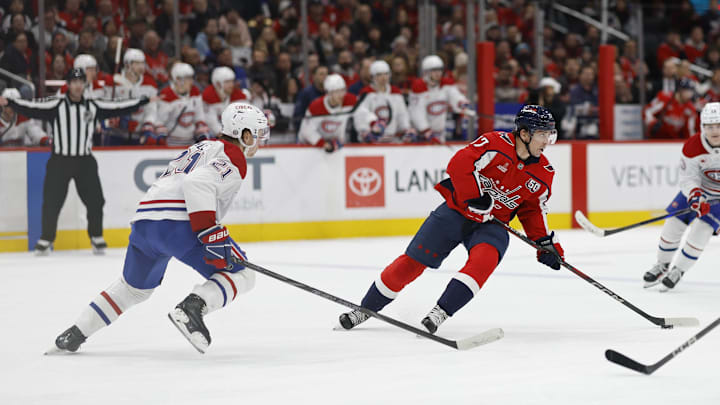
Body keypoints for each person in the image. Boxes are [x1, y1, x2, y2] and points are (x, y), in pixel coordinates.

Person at [47, 102, 270, 354]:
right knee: (242, 274)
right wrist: (208, 231)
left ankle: (75, 333)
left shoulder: (203, 146)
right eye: (258, 134)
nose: (261, 140)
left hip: (145, 223)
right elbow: (197, 183)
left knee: (133, 289)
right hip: (176, 225)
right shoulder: (233, 155)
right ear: (245, 134)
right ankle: (192, 308)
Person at [337, 105, 564, 333]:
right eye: (542, 134)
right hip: (455, 212)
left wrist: (544, 243)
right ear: (524, 134)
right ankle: (364, 310)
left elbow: (533, 210)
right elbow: (460, 164)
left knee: (483, 262)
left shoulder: (544, 172)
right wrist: (474, 196)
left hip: (491, 225)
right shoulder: (495, 144)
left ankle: (439, 313)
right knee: (412, 263)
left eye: (549, 135)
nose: (546, 142)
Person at [0, 69, 151, 255]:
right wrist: (11, 103)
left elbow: (117, 106)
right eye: (74, 81)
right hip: (60, 161)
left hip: (84, 161)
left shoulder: (93, 105)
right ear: (68, 84)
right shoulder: (57, 104)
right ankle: (46, 238)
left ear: (84, 85)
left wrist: (142, 101)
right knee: (51, 202)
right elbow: (32, 107)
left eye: (81, 81)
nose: (78, 85)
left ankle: (96, 236)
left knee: (95, 201)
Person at [643, 102, 720, 291]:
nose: (714, 131)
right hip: (698, 192)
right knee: (672, 226)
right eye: (709, 126)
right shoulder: (693, 146)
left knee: (700, 232)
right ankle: (662, 265)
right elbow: (688, 178)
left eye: (718, 126)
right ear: (702, 127)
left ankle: (678, 270)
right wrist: (696, 196)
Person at [298, 73, 377, 152]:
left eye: (343, 90)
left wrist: (373, 123)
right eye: (337, 92)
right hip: (309, 147)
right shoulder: (316, 106)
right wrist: (323, 144)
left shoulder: (349, 100)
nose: (341, 95)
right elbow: (306, 131)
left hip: (335, 146)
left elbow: (363, 113)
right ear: (329, 93)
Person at [408, 55, 475, 143]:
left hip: (439, 135)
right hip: (422, 135)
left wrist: (462, 103)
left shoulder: (446, 84)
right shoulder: (419, 87)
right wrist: (425, 131)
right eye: (434, 70)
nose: (438, 73)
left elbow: (455, 95)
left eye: (439, 70)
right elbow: (416, 113)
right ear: (426, 72)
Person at [104, 48, 159, 145]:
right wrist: (119, 120)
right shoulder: (113, 82)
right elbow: (106, 106)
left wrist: (147, 126)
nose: (141, 67)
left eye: (142, 63)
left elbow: (151, 110)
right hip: (115, 135)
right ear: (127, 64)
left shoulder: (150, 84)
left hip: (138, 135)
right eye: (137, 63)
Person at [355, 60, 415, 143]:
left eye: (386, 74)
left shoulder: (395, 93)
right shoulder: (366, 93)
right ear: (372, 77)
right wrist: (364, 131)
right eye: (379, 75)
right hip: (372, 140)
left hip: (392, 139)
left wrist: (406, 129)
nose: (383, 77)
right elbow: (360, 115)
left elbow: (402, 115)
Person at [156, 62, 210, 146]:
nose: (192, 81)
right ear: (177, 79)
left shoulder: (195, 91)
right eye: (188, 78)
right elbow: (160, 121)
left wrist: (202, 135)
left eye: (191, 78)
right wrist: (161, 138)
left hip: (191, 143)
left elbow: (199, 117)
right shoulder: (167, 94)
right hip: (171, 143)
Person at [203, 66, 250, 136]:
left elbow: (246, 119)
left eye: (232, 81)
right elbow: (213, 125)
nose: (231, 85)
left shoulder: (239, 97)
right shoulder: (208, 98)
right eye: (227, 82)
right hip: (213, 139)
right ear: (218, 84)